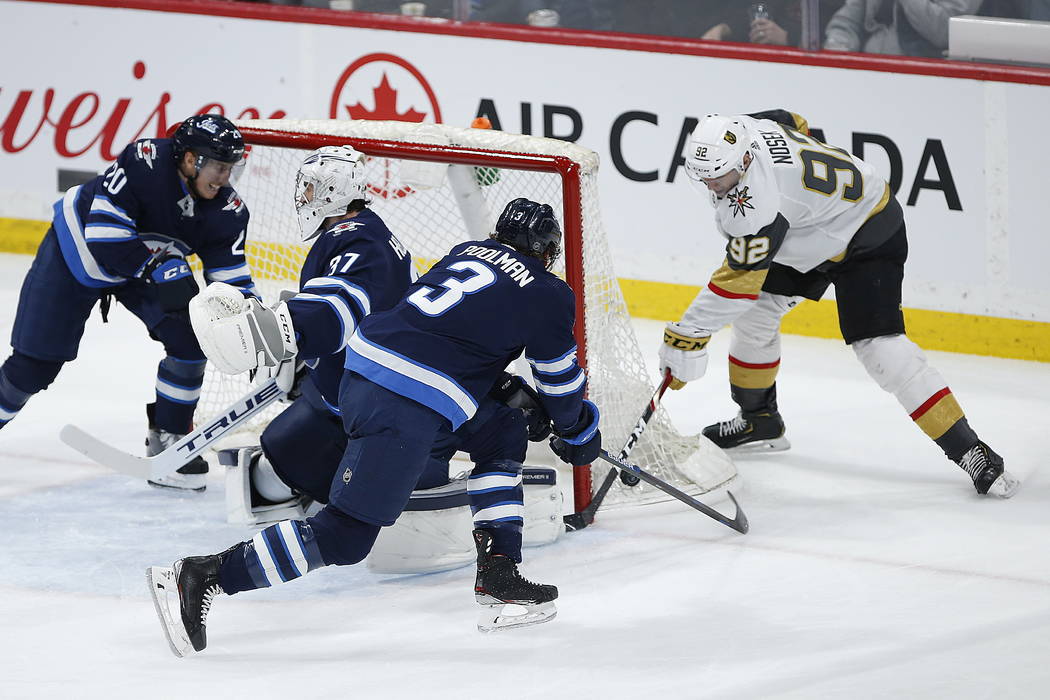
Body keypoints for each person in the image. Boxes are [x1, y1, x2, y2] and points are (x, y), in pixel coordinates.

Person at [148, 197, 601, 656]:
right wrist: (579, 432)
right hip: (403, 399)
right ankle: (203, 575)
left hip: (366, 371)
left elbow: (439, 329)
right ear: (548, 251)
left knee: (502, 429)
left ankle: (500, 572)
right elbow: (562, 386)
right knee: (345, 537)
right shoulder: (548, 291)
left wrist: (504, 388)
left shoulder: (466, 252)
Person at [658, 110, 1019, 499]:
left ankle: (971, 451)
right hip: (810, 231)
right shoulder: (748, 127)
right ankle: (760, 420)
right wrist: (806, 196)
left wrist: (686, 337)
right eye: (704, 176)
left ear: (745, 159)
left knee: (881, 350)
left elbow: (736, 285)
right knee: (756, 312)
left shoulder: (756, 205)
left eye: (721, 175)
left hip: (869, 231)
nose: (713, 183)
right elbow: (792, 120)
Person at [0, 114, 254, 491]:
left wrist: (255, 322)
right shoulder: (145, 163)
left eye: (230, 168)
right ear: (188, 160)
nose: (224, 178)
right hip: (79, 253)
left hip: (146, 263)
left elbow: (232, 281)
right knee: (34, 367)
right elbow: (104, 237)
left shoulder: (227, 211)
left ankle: (169, 441)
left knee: (191, 338)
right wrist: (159, 268)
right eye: (218, 166)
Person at [823, 0, 982, 57]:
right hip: (867, 77)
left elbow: (944, 32)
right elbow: (848, 20)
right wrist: (837, 51)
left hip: (926, 83)